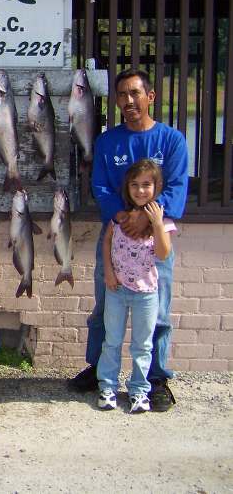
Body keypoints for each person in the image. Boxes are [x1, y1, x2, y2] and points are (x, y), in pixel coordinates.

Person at [69, 69, 188, 412]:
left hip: (155, 242)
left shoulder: (171, 140)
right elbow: (102, 186)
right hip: (115, 240)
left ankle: (156, 379)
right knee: (105, 308)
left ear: (150, 97)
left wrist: (146, 217)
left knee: (158, 313)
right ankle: (97, 370)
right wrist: (122, 216)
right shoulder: (108, 141)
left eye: (135, 93)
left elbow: (178, 187)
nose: (129, 101)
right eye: (122, 95)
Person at [97, 159, 175, 413]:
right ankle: (107, 386)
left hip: (146, 295)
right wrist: (109, 273)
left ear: (156, 187)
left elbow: (163, 254)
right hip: (117, 292)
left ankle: (139, 390)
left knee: (142, 345)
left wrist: (156, 223)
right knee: (112, 340)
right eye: (135, 185)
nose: (141, 190)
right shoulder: (119, 218)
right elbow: (107, 242)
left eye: (146, 185)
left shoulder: (161, 221)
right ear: (127, 188)